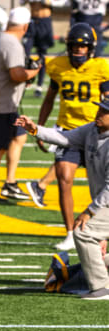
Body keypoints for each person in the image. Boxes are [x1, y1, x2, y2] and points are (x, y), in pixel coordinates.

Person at [26, 23, 109, 251]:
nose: (78, 50)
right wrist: (40, 127)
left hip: (96, 131)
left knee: (104, 186)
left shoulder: (101, 68)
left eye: (83, 47)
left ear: (90, 48)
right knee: (64, 177)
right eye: (74, 46)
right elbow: (49, 98)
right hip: (67, 129)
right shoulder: (58, 66)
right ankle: (71, 232)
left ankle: (100, 231)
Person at [16, 103, 109, 300]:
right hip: (105, 201)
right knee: (91, 237)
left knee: (84, 231)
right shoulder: (92, 129)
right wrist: (34, 129)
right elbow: (65, 138)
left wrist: (90, 212)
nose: (99, 113)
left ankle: (101, 288)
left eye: (105, 111)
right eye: (100, 109)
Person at [0, 6, 41, 203]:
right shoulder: (11, 43)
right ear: (25, 27)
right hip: (1, 103)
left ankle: (10, 182)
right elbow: (16, 74)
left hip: (0, 100)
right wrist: (33, 73)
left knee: (19, 136)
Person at [22, 0, 54, 98]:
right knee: (24, 53)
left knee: (42, 55)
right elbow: (21, 3)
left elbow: (58, 3)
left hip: (44, 21)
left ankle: (39, 86)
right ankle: (23, 82)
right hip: (32, 21)